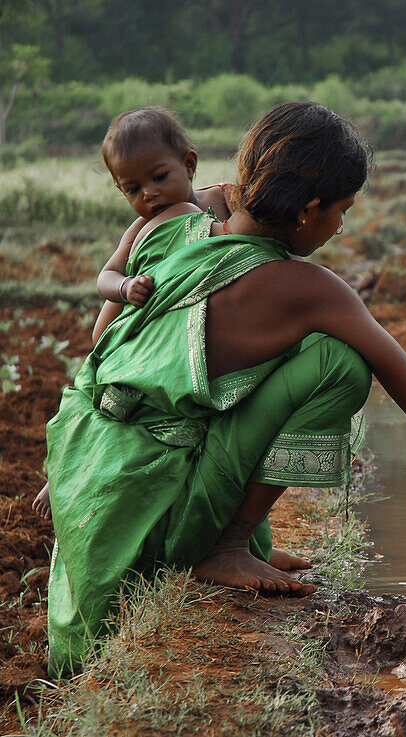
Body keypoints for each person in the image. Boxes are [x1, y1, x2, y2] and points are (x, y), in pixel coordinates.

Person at [44, 101, 406, 676]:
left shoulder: (176, 216)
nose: (340, 227)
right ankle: (227, 543)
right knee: (340, 365)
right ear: (310, 211)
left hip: (95, 486)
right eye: (343, 211)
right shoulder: (312, 290)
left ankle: (245, 539)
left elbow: (103, 337)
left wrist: (67, 465)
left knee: (214, 375)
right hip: (159, 522)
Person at [33, 106, 233, 517]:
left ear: (189, 164)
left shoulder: (220, 204)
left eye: (159, 178)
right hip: (128, 340)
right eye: (132, 188)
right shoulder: (141, 229)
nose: (149, 194)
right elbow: (105, 276)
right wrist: (125, 287)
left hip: (183, 336)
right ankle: (65, 474)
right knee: (106, 412)